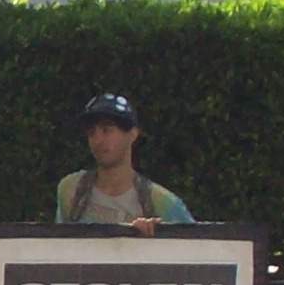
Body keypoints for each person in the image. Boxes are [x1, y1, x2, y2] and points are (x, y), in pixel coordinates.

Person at [54, 95, 195, 229]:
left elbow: (196, 246)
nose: (98, 140)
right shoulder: (71, 190)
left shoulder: (162, 203)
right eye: (91, 133)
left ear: (132, 134)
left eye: (107, 130)